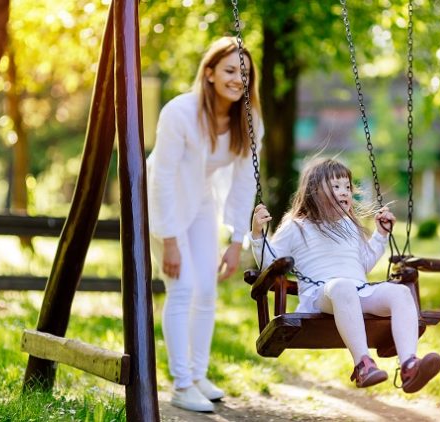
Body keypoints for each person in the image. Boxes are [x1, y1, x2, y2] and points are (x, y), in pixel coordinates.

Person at [250, 158, 440, 393]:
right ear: (314, 192)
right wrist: (258, 234)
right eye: (336, 186)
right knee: (342, 287)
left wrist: (380, 235)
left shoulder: (350, 225)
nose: (345, 192)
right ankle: (363, 364)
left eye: (347, 187)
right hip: (320, 297)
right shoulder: (295, 226)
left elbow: (362, 264)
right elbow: (270, 263)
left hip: (357, 291)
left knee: (400, 293)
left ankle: (409, 365)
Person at [147, 36, 263, 412]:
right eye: (230, 70)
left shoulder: (248, 119)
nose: (237, 80)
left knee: (207, 291)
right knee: (182, 288)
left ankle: (197, 375)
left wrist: (235, 241)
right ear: (210, 73)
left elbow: (246, 182)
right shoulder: (179, 112)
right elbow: (163, 177)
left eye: (244, 74)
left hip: (200, 202)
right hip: (164, 201)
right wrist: (168, 239)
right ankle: (181, 384)